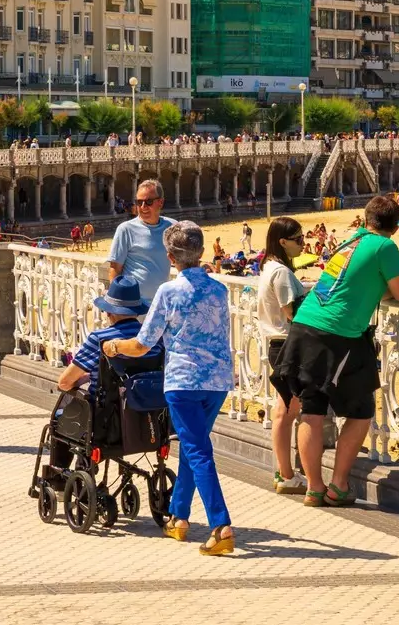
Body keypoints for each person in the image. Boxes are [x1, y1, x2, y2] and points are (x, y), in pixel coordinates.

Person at [278, 194, 399, 507]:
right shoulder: (385, 247)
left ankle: (314, 488)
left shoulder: (349, 242)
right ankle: (338, 484)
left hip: (305, 326)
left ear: (366, 219)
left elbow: (357, 282)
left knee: (312, 410)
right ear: (395, 228)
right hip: (337, 333)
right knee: (360, 412)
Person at [105, 221, 237, 555]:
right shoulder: (219, 290)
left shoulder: (168, 292)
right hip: (218, 380)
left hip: (183, 382)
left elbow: (143, 344)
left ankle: (221, 526)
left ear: (169, 257)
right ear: (202, 253)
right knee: (196, 447)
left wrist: (115, 348)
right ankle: (179, 517)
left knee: (197, 451)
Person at [255, 216, 309, 493]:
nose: (303, 243)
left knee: (283, 408)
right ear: (283, 241)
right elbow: (293, 312)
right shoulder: (282, 273)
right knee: (288, 411)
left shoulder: (268, 268)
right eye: (298, 239)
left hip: (276, 344)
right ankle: (287, 475)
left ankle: (283, 472)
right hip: (288, 344)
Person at [106, 178, 170, 300]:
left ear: (160, 202)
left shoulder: (171, 228)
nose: (143, 206)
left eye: (148, 202)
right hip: (133, 305)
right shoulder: (125, 229)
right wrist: (114, 302)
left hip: (161, 305)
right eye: (139, 202)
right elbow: (115, 268)